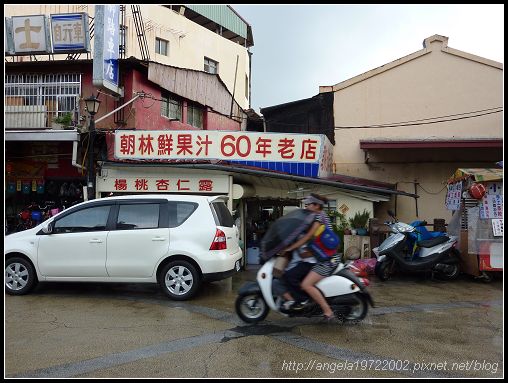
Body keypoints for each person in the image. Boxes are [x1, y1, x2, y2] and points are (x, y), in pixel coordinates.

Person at [282, 193, 339, 320]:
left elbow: (307, 237)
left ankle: (328, 311)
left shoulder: (318, 218)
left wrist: (291, 247)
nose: (307, 206)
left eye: (309, 204)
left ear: (317, 205)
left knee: (306, 284)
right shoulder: (318, 216)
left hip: (328, 261)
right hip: (325, 257)